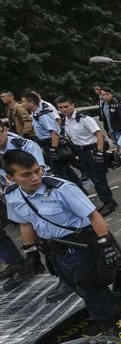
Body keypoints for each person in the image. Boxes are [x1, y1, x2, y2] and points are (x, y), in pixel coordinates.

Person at [4, 150, 121, 334]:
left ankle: (108, 325)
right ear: (10, 178)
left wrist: (105, 244)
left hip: (80, 243)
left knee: (89, 286)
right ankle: (110, 308)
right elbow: (25, 223)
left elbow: (93, 214)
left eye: (37, 170)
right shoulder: (13, 196)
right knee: (74, 284)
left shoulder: (61, 188)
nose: (35, 177)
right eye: (26, 175)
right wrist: (31, 251)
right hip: (54, 248)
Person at [0, 121, 46, 289]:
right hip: (12, 195)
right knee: (25, 224)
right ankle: (19, 264)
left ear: (5, 129)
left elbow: (38, 173)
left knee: (48, 231)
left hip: (37, 192)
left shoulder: (24, 146)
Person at [56, 96, 117, 216]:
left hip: (93, 150)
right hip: (82, 152)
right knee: (93, 178)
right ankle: (108, 201)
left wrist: (100, 152)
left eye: (66, 106)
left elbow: (99, 134)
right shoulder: (65, 121)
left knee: (99, 179)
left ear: (73, 105)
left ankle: (109, 203)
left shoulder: (84, 119)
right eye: (61, 108)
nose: (63, 109)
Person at [25, 91, 84, 189]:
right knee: (65, 169)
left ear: (31, 103)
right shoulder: (35, 113)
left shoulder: (42, 114)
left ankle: (72, 190)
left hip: (52, 144)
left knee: (60, 173)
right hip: (48, 144)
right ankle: (79, 189)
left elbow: (54, 132)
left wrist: (53, 149)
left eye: (23, 102)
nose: (22, 104)